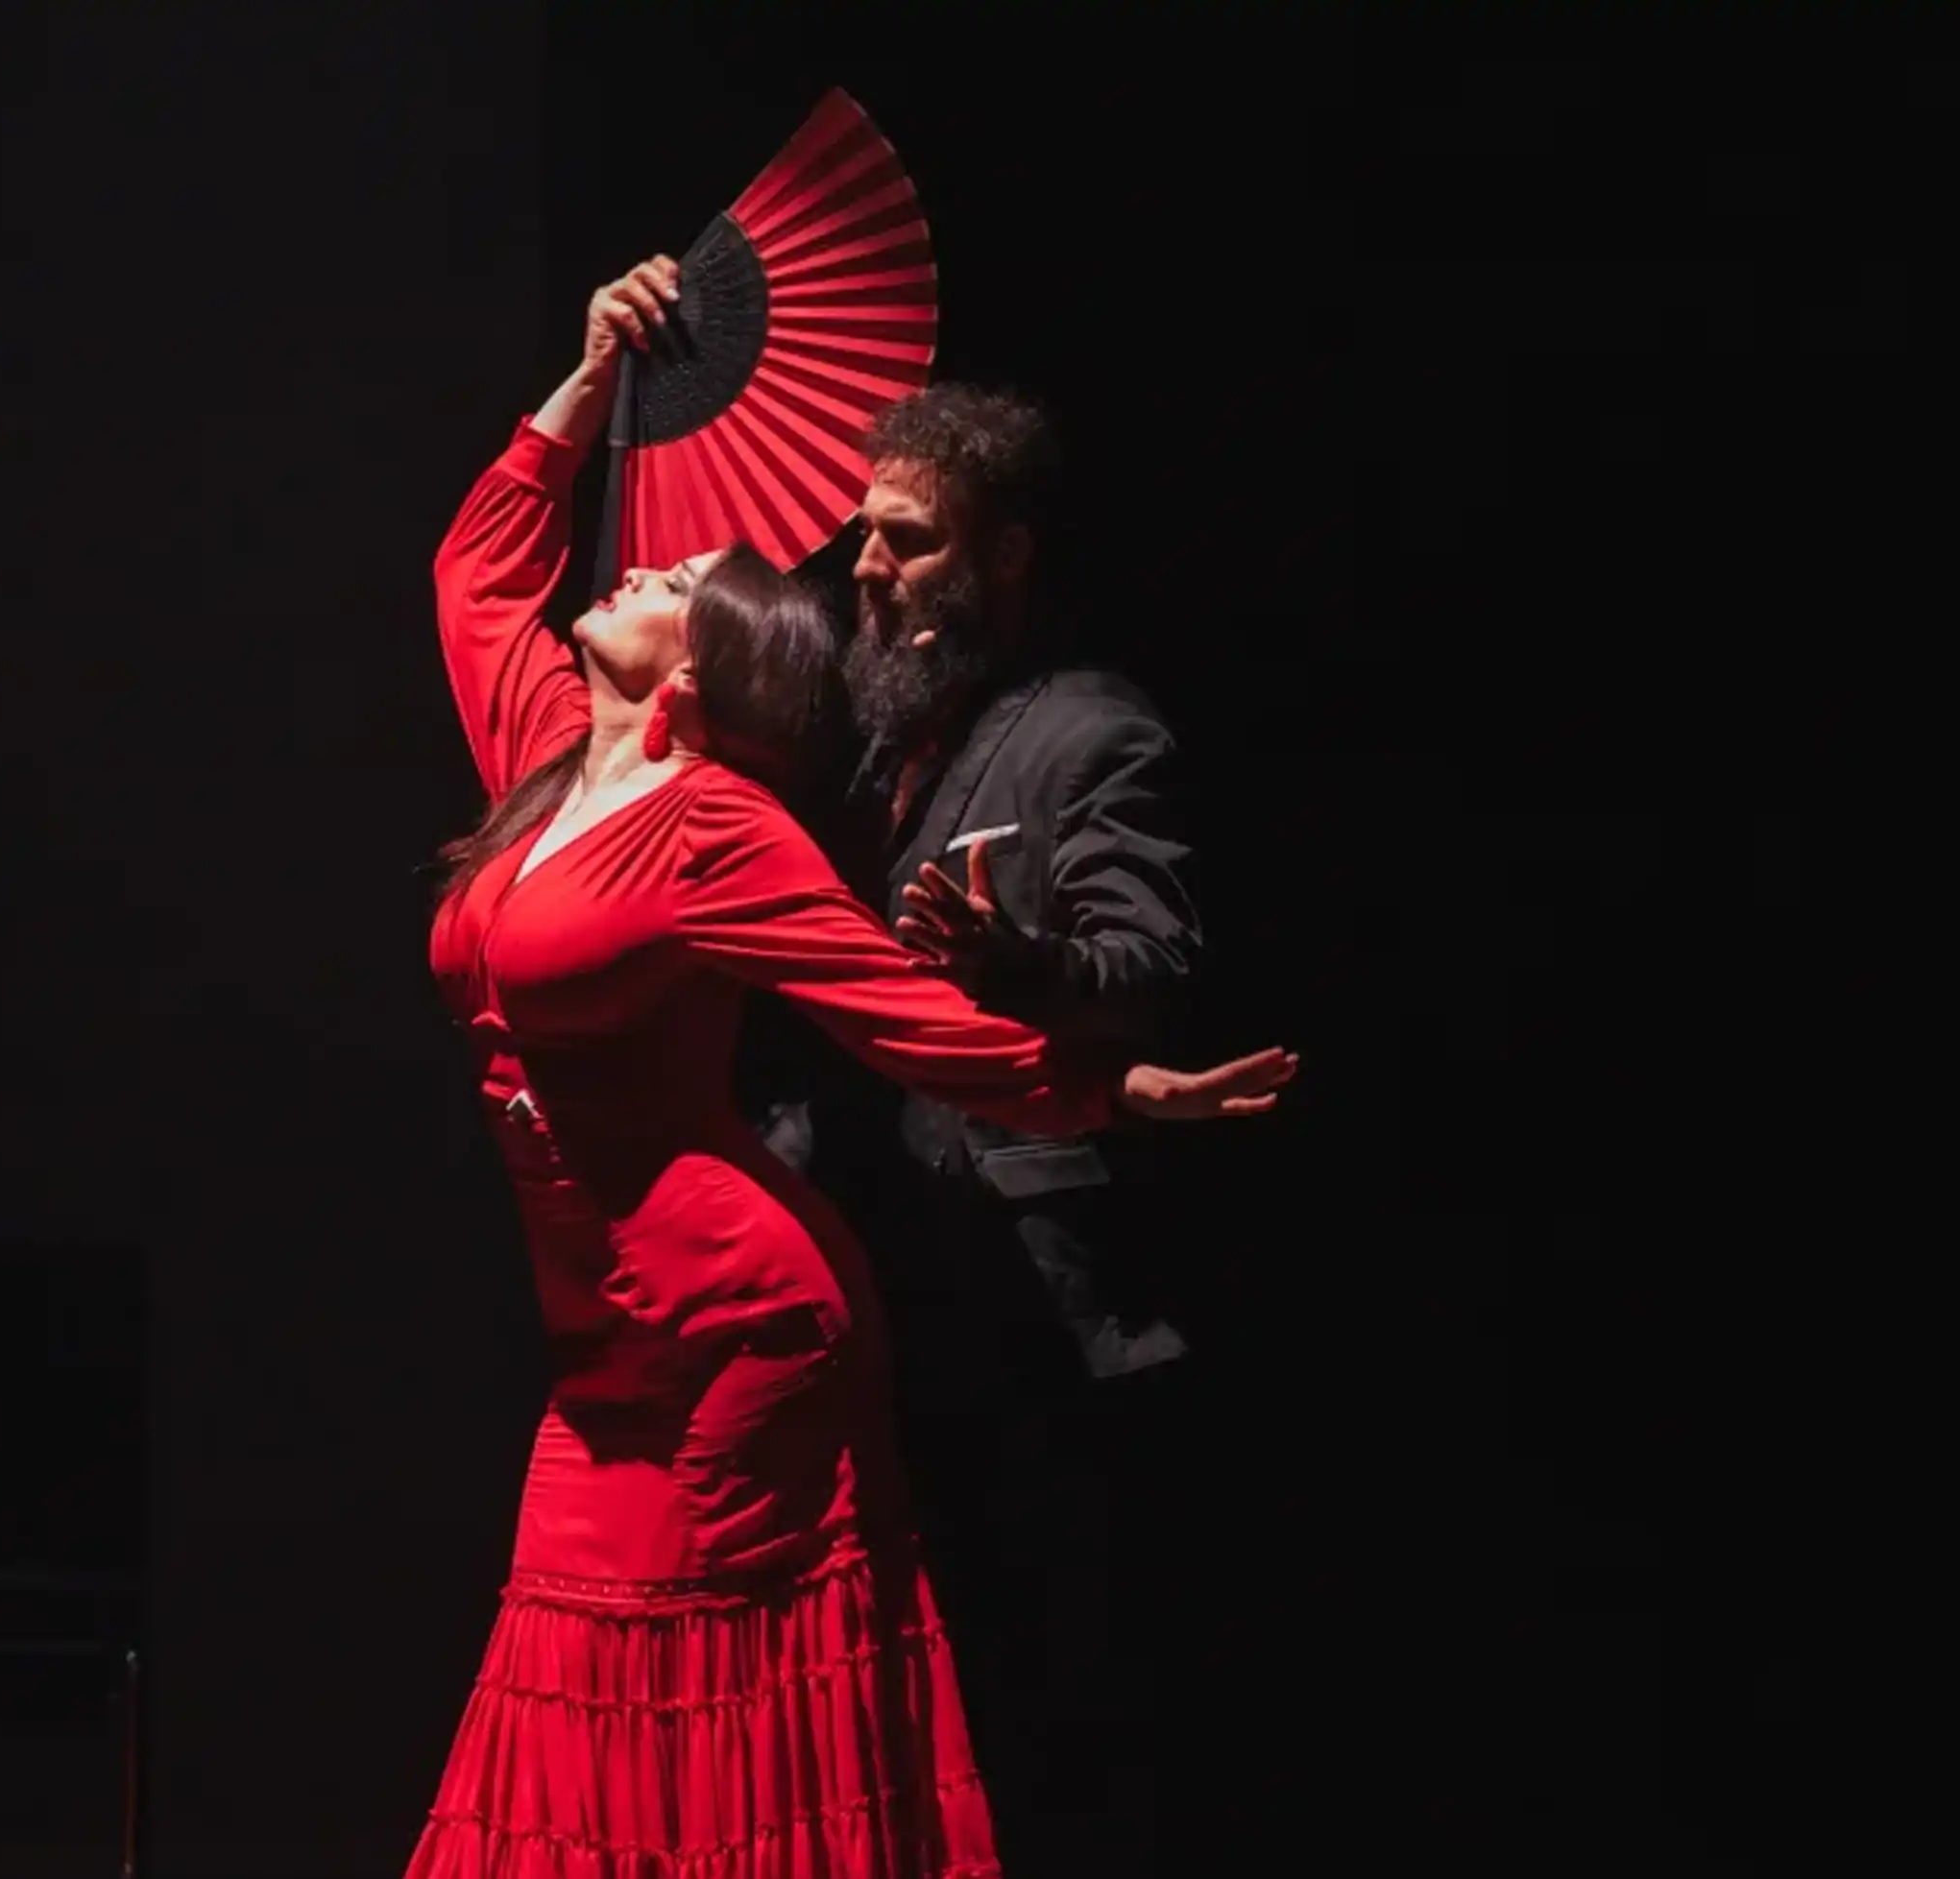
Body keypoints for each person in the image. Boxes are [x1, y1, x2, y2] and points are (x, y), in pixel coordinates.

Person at [402, 254, 1296, 1879]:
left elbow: (904, 1012)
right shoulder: (544, 767)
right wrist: (590, 373)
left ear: (698, 668)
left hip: (738, 1327)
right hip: (602, 1343)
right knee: (571, 1713)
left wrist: (1109, 1091)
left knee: (715, 1736)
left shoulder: (713, 829)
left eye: (671, 570)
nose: (633, 560)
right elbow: (474, 574)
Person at [748, 382, 1226, 1877]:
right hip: (876, 1279)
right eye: (863, 540)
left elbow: (1144, 971)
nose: (867, 571)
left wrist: (1014, 971)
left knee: (1038, 1710)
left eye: (908, 541)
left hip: (1020, 1305)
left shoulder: (1088, 731)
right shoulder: (872, 736)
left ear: (1004, 553)